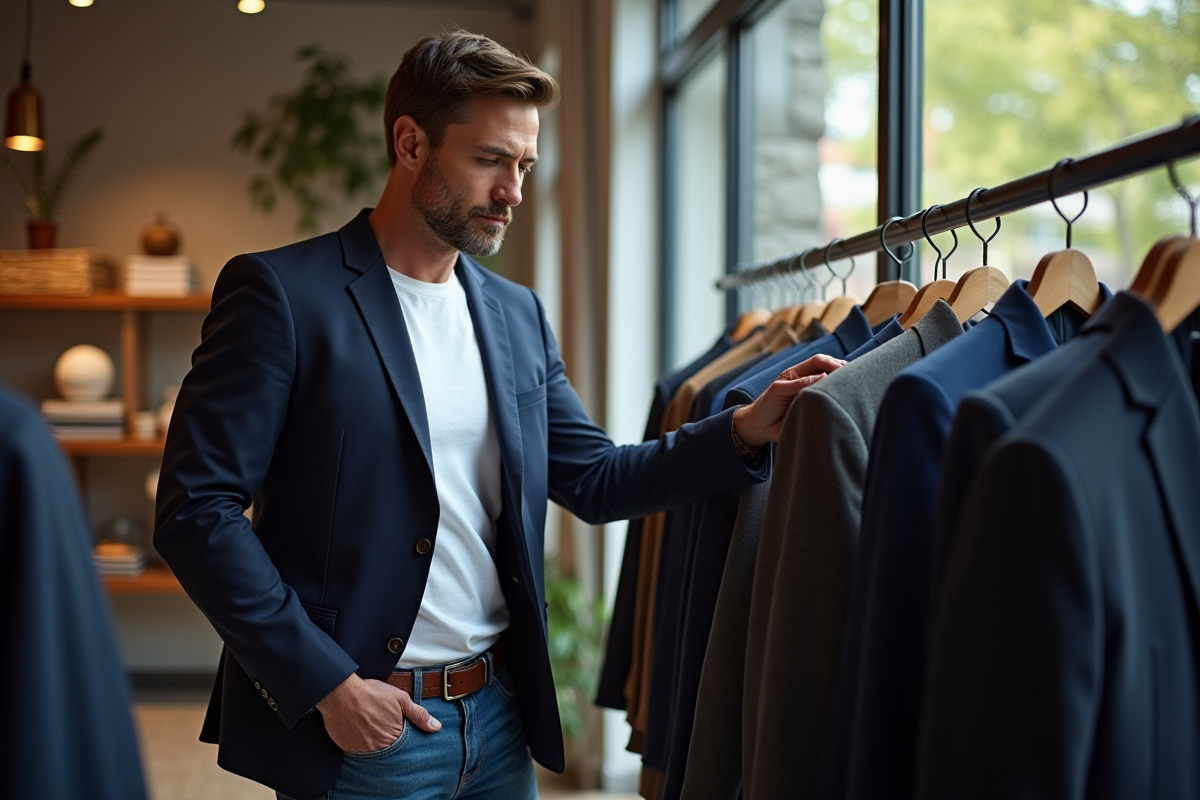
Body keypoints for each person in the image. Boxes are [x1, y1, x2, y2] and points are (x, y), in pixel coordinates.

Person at [154, 30, 841, 800]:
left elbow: (595, 478)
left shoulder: (515, 315)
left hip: (500, 713)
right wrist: (328, 686)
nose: (514, 190)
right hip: (365, 726)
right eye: (489, 160)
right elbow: (197, 512)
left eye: (524, 165)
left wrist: (746, 427)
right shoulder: (282, 294)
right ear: (410, 143)